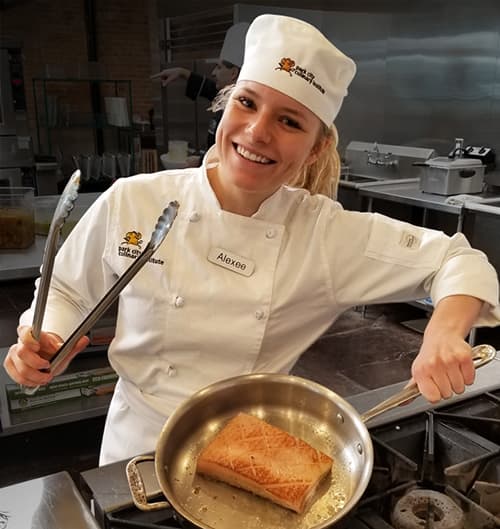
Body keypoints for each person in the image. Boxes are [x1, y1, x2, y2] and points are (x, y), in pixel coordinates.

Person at [4, 14, 500, 466]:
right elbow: (66, 289)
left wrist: (442, 332)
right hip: (134, 451)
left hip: (250, 451)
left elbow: (457, 259)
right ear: (224, 108)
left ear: (316, 146)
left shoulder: (324, 235)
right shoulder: (134, 201)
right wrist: (48, 337)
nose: (257, 132)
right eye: (246, 103)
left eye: (289, 121)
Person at [151, 22, 249, 149]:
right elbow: (209, 88)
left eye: (219, 67)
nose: (213, 73)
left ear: (233, 73)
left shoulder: (243, 110)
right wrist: (182, 72)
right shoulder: (227, 99)